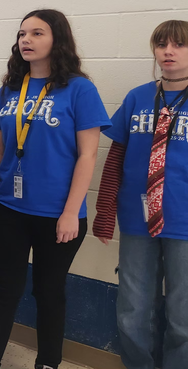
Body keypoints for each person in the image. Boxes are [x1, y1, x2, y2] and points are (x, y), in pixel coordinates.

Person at [0, 10, 109, 369]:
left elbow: (88, 155)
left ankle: (48, 362)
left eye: (37, 33)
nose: (26, 40)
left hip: (58, 216)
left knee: (49, 293)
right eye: (22, 33)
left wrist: (71, 212)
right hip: (10, 210)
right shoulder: (11, 88)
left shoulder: (79, 89)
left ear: (58, 40)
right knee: (4, 291)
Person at [93, 20, 188, 369]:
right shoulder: (138, 97)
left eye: (179, 44)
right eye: (161, 44)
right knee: (133, 310)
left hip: (185, 221)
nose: (168, 51)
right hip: (137, 219)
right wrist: (105, 213)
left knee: (183, 317)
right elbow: (116, 157)